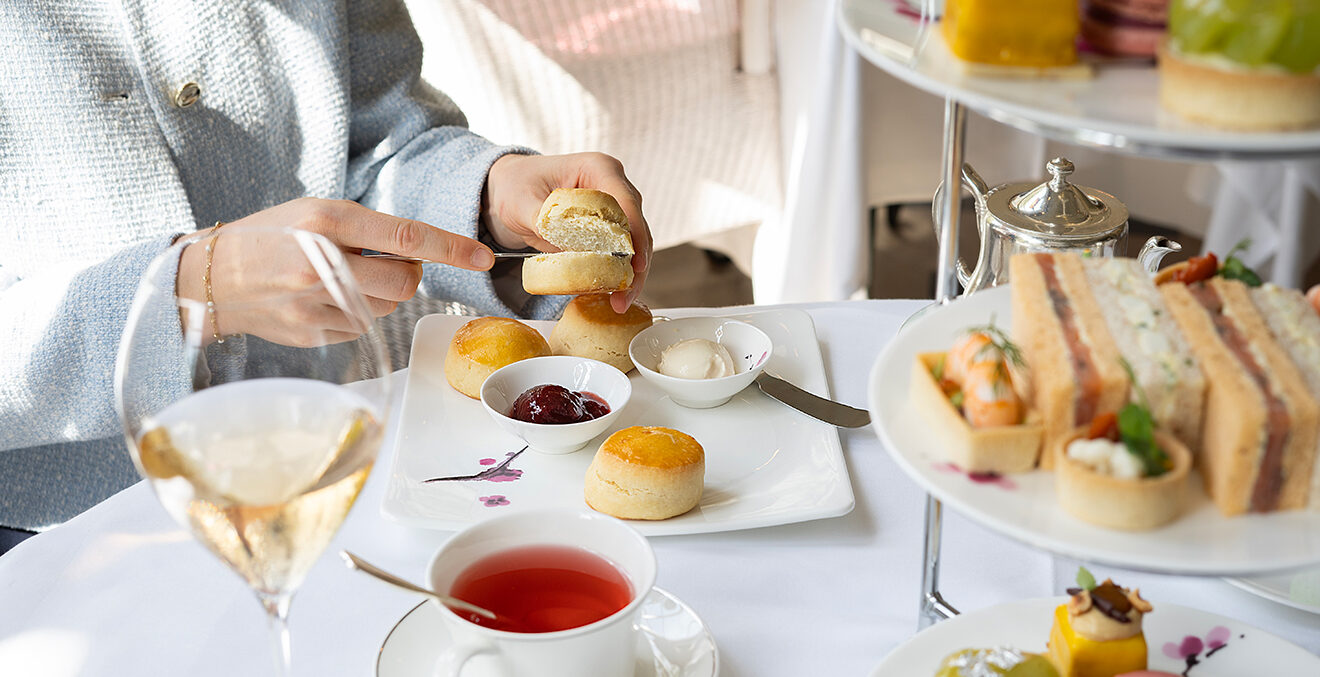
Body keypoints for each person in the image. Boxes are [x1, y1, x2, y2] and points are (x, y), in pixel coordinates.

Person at [0, 1, 652, 548]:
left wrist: (486, 201)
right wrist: (185, 287)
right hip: (54, 539)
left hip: (316, 466)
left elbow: (379, 143)